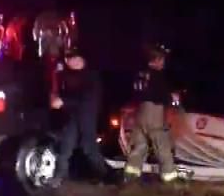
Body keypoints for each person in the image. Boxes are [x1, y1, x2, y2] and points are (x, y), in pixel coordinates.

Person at [51, 48, 113, 182]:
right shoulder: (66, 75)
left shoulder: (91, 76)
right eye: (70, 60)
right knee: (65, 145)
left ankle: (105, 174)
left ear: (82, 60)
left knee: (88, 147)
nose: (73, 62)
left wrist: (64, 101)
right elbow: (62, 91)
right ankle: (59, 176)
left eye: (76, 59)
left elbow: (86, 98)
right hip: (72, 116)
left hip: (87, 115)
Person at [124, 43, 178, 182]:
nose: (163, 63)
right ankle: (170, 177)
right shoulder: (157, 75)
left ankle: (130, 175)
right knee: (162, 144)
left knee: (140, 145)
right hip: (154, 113)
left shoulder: (140, 74)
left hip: (140, 113)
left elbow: (136, 93)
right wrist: (171, 97)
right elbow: (161, 95)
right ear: (156, 60)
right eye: (162, 60)